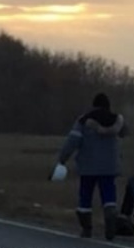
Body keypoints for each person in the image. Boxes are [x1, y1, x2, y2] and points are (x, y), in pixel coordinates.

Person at [55, 92, 129, 240]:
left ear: (93, 105)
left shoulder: (83, 121)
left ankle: (86, 229)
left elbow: (72, 141)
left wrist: (62, 159)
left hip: (87, 165)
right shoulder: (117, 120)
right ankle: (110, 222)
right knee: (109, 196)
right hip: (109, 166)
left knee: (85, 197)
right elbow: (125, 133)